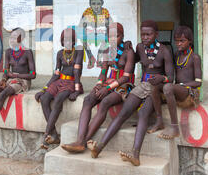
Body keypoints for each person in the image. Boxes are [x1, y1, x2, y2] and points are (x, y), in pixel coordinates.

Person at [87, 20, 174, 165]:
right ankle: (99, 148)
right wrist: (127, 45)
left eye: (149, 34)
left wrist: (162, 78)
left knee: (143, 113)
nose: (145, 37)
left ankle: (135, 155)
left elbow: (171, 78)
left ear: (156, 34)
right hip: (141, 86)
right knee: (124, 113)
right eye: (143, 34)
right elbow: (130, 58)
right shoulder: (140, 47)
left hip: (156, 88)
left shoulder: (165, 51)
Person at [61, 22, 135, 154]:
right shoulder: (107, 50)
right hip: (109, 82)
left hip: (124, 85)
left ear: (122, 36)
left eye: (116, 36)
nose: (112, 39)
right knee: (88, 100)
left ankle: (81, 143)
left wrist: (107, 88)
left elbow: (126, 77)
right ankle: (79, 140)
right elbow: (103, 72)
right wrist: (99, 84)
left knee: (105, 102)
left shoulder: (129, 52)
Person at [35, 28, 84, 149]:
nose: (67, 42)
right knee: (45, 99)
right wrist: (44, 89)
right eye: (64, 40)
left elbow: (77, 71)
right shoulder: (59, 53)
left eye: (70, 40)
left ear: (74, 41)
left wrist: (77, 91)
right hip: (59, 81)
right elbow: (56, 73)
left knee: (58, 100)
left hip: (71, 82)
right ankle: (54, 134)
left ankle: (46, 134)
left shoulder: (78, 51)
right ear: (61, 42)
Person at [150, 25, 202, 140]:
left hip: (189, 93)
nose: (178, 44)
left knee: (168, 87)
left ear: (190, 41)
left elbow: (198, 83)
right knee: (154, 86)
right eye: (176, 41)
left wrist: (181, 85)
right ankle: (159, 120)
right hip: (178, 90)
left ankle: (174, 127)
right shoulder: (177, 55)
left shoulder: (195, 57)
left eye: (182, 41)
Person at [78, 0, 113, 69]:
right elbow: (80, 28)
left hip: (102, 36)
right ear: (90, 4)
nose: (96, 7)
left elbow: (111, 28)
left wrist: (106, 28)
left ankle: (99, 57)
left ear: (102, 3)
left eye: (98, 4)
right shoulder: (87, 13)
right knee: (82, 37)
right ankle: (90, 57)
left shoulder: (105, 13)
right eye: (93, 4)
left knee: (107, 38)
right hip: (90, 36)